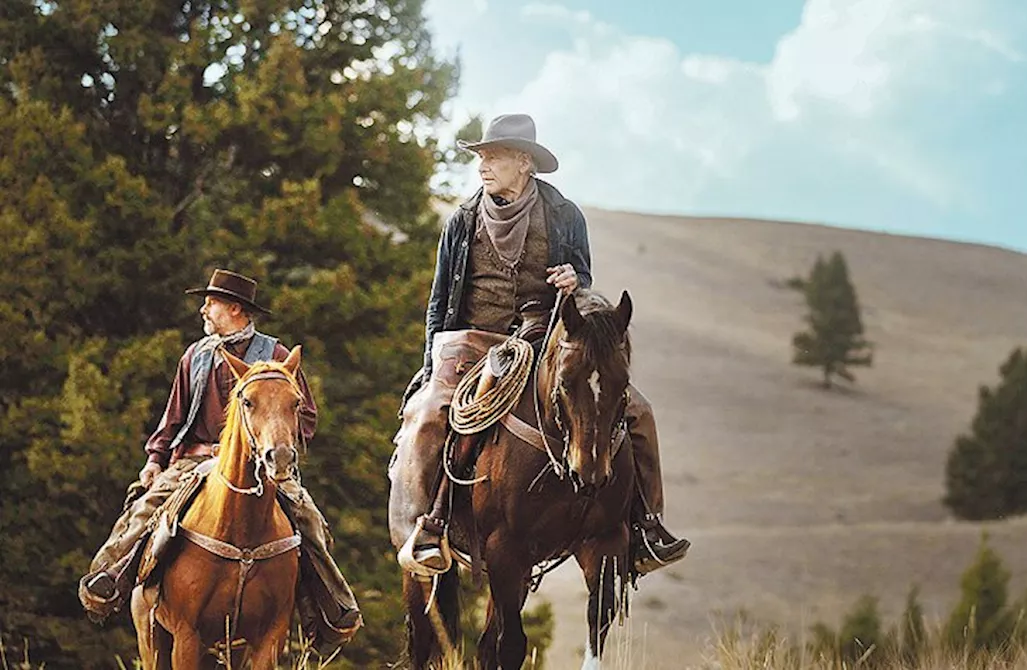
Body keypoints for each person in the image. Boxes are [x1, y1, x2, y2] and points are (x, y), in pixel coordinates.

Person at [389, 113, 690, 577]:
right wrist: (433, 364)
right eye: (482, 157)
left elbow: (583, 279)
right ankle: (424, 528)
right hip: (470, 340)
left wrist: (574, 279)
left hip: (545, 335)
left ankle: (648, 527)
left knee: (640, 412)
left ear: (524, 162)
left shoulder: (565, 215)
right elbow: (438, 302)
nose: (483, 166)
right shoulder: (462, 221)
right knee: (427, 414)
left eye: (495, 157)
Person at [78, 269, 362, 651]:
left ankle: (330, 605)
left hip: (263, 463)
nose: (203, 310)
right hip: (193, 462)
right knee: (146, 511)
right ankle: (112, 577)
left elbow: (304, 414)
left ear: (234, 308)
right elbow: (173, 417)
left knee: (308, 519)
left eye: (210, 303)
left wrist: (277, 447)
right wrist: (155, 459)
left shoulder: (276, 356)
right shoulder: (195, 356)